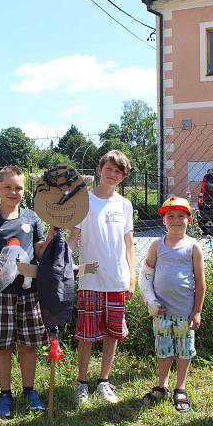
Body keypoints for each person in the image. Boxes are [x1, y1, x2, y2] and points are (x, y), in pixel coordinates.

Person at [0, 166, 51, 418]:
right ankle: (5, 394)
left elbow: (40, 252)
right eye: (7, 187)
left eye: (18, 188)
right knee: (2, 347)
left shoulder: (31, 218)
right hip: (0, 294)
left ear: (24, 190)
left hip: (29, 294)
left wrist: (55, 229)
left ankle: (29, 391)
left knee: (28, 346)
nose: (13, 192)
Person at [68, 150, 135, 405]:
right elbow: (73, 239)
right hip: (89, 278)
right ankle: (81, 382)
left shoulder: (125, 205)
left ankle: (103, 382)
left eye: (118, 172)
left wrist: (131, 278)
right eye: (109, 169)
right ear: (99, 170)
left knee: (113, 333)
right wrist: (62, 265)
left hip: (117, 280)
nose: (113, 174)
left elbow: (129, 244)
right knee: (86, 334)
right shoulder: (84, 201)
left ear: (122, 177)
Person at [139, 196, 206, 412]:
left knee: (184, 351)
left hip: (184, 314)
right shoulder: (157, 245)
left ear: (189, 219)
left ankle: (181, 388)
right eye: (170, 216)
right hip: (162, 314)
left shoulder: (193, 247)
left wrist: (197, 311)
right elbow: (146, 275)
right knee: (164, 350)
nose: (175, 220)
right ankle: (163, 385)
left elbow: (200, 283)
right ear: (164, 220)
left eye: (181, 216)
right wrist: (151, 301)